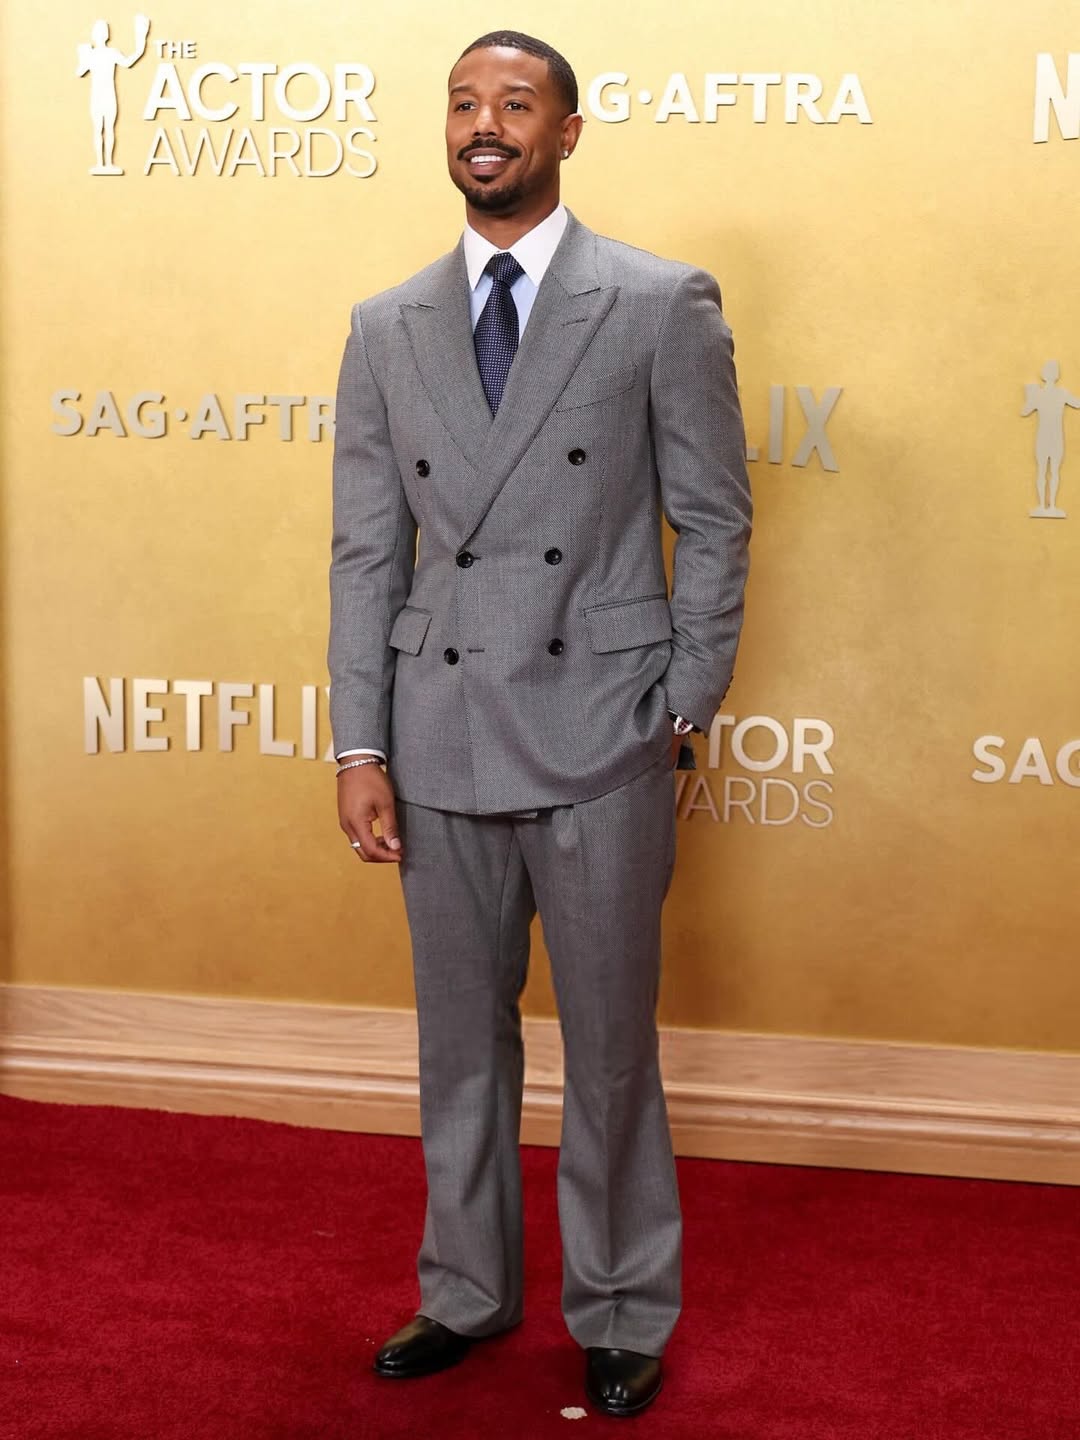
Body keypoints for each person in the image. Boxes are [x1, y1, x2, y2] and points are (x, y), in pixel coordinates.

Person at [328, 30, 751, 1418]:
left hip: (602, 728)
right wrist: (359, 743)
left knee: (611, 1048)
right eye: (465, 103)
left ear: (566, 133)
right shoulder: (387, 323)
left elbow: (714, 517)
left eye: (515, 104)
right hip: (438, 728)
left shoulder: (658, 301)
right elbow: (365, 555)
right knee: (459, 1043)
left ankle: (622, 1307)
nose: (485, 124)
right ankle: (464, 1289)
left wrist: (680, 703)